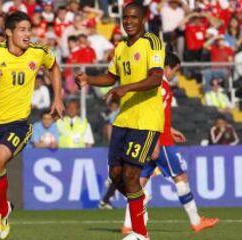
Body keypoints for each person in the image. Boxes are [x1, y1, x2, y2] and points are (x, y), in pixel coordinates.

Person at [0, 11, 64, 240]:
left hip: (19, 124)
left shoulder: (39, 51)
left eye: (29, 29)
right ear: (9, 32)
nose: (28, 34)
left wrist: (58, 98)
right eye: (22, 30)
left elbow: (54, 67)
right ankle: (4, 207)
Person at [75, 3, 165, 239]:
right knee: (115, 174)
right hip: (123, 118)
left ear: (143, 20)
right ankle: (139, 204)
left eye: (134, 17)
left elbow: (156, 78)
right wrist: (89, 80)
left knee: (131, 176)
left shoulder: (153, 42)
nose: (128, 21)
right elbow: (110, 77)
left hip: (146, 119)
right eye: (126, 18)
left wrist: (126, 88)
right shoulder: (120, 47)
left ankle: (141, 233)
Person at [122, 52, 219, 235]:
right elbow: (151, 115)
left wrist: (169, 127)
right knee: (181, 178)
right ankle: (196, 221)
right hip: (161, 142)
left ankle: (128, 224)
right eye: (176, 70)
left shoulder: (153, 83)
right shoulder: (162, 86)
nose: (176, 74)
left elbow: (153, 112)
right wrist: (157, 140)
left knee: (139, 183)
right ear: (168, 67)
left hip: (152, 138)